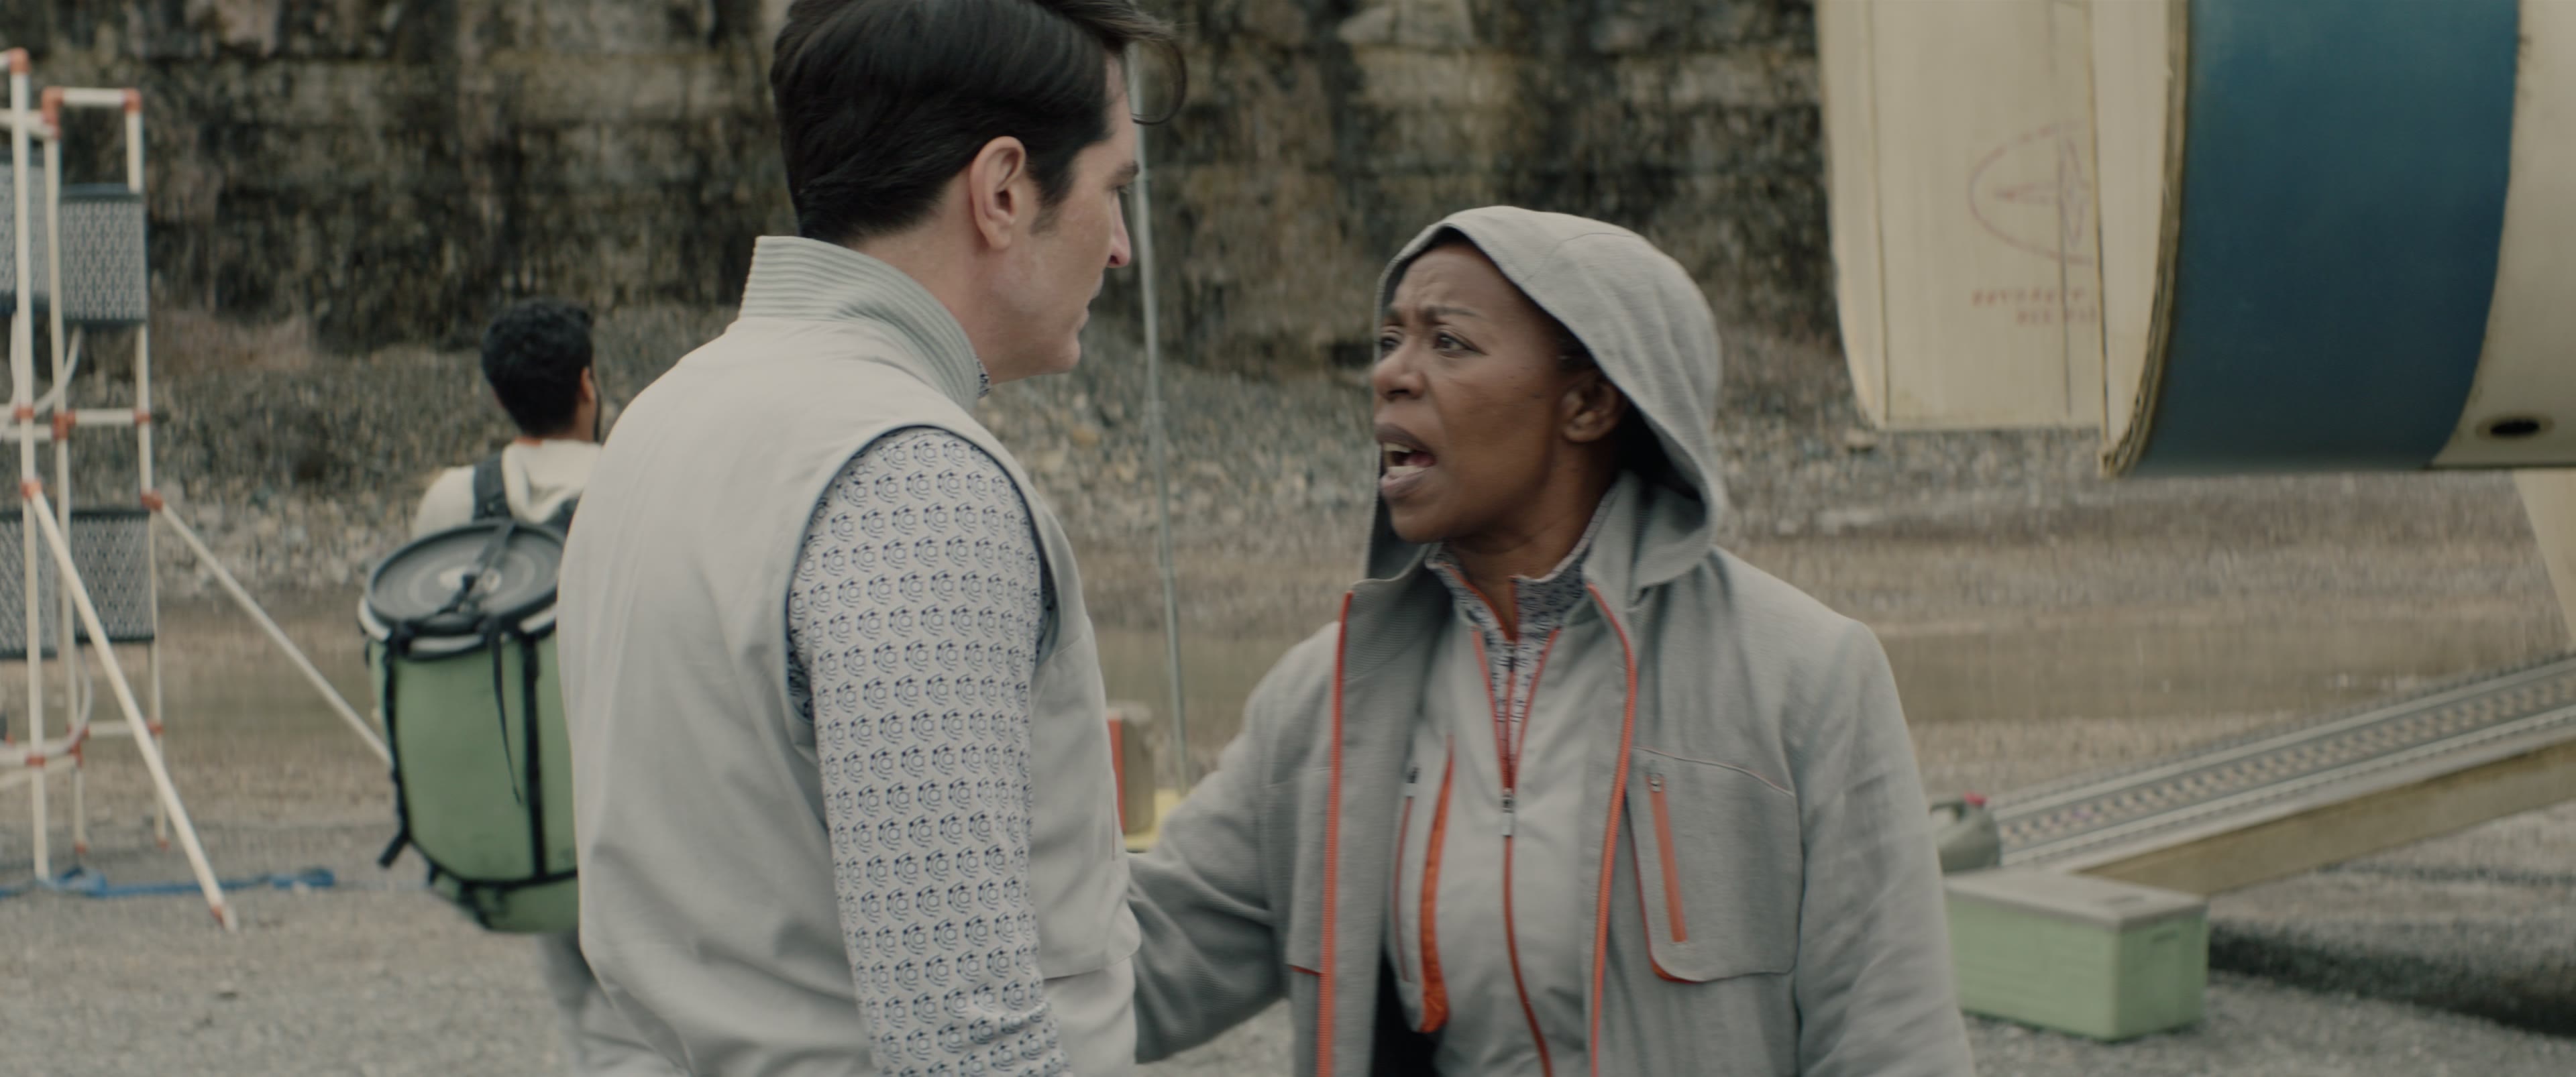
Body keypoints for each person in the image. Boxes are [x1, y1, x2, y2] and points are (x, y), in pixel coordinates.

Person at [1126, 208, 1976, 1076]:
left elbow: (1895, 1045)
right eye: (1389, 340)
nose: (1391, 373)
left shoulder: (1807, 676)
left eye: (1448, 342)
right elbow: (1134, 966)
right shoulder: (1319, 702)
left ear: (1589, 403)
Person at [553, 1, 1183, 1074]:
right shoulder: (911, 481)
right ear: (1002, 191)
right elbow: (960, 1031)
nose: (1121, 248)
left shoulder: (663, 419)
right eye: (1113, 189)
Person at [409, 298, 674, 1077]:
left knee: (579, 1002)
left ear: (499, 395)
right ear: (589, 384)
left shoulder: (454, 500)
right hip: (633, 794)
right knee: (642, 1015)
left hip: (523, 803)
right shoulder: (638, 481)